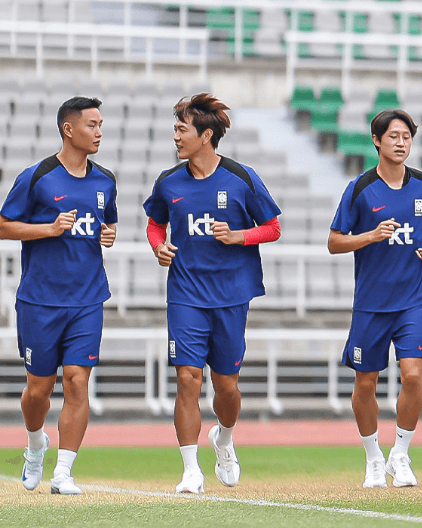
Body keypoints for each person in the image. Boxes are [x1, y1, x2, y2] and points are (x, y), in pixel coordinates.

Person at [143, 93, 282, 494]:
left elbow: (272, 227)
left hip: (231, 296)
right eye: (175, 128)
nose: (176, 135)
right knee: (187, 378)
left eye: (182, 128)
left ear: (206, 135)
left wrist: (240, 235)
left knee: (226, 386)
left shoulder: (241, 177)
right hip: (186, 294)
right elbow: (155, 224)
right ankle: (190, 470)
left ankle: (224, 437)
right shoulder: (168, 182)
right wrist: (158, 245)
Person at [0, 97, 116, 495]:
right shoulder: (37, 177)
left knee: (76, 381)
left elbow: (108, 223)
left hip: (87, 299)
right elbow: (3, 226)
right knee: (38, 388)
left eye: (101, 125)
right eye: (92, 125)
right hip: (40, 300)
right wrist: (47, 230)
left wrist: (109, 234)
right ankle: (35, 445)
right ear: (69, 129)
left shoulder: (106, 180)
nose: (99, 132)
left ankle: (63, 472)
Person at [328, 109, 422, 488]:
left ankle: (401, 454)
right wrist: (369, 236)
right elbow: (334, 241)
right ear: (377, 141)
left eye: (406, 136)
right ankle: (373, 456)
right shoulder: (360, 188)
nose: (401, 142)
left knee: (413, 376)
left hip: (413, 300)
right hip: (371, 304)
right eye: (393, 136)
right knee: (366, 382)